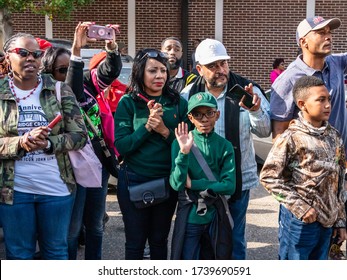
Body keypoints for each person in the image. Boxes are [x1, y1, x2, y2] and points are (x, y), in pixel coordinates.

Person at [181, 38, 271, 260]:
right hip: (202, 183)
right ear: (199, 69)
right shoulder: (188, 95)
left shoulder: (246, 91)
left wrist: (255, 110)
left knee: (234, 239)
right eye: (213, 66)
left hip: (238, 181)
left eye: (223, 63)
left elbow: (264, 131)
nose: (220, 70)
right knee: (204, 241)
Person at [0, 32, 87, 259]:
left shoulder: (58, 89)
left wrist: (49, 143)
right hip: (14, 191)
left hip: (56, 189)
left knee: (56, 251)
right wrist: (20, 142)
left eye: (36, 54)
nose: (31, 58)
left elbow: (80, 136)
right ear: (8, 57)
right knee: (19, 254)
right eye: (22, 53)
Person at [270, 16, 347, 259]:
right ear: (303, 41)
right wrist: (299, 197)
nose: (328, 36)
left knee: (327, 254)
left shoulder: (335, 63)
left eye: (329, 31)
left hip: (336, 182)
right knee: (297, 258)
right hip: (306, 192)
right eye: (321, 32)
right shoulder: (287, 81)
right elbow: (279, 138)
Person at [260, 76, 347, 260]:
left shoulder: (334, 136)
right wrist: (301, 208)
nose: (327, 105)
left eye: (329, 99)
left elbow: (339, 181)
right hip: (301, 221)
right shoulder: (291, 137)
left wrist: (340, 220)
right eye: (320, 100)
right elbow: (269, 177)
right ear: (302, 104)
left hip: (327, 222)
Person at [114, 48, 188, 260]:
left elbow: (186, 145)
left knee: (159, 241)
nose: (159, 76)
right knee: (135, 242)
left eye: (163, 71)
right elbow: (123, 146)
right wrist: (147, 127)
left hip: (167, 180)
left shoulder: (178, 103)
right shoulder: (128, 103)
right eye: (153, 71)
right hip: (133, 179)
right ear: (140, 72)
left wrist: (164, 130)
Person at [170, 92, 236, 259]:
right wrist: (184, 153)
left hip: (215, 216)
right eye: (197, 114)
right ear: (190, 118)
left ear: (217, 115)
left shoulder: (225, 146)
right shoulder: (179, 142)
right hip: (190, 217)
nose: (204, 119)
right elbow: (176, 184)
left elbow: (230, 185)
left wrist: (194, 184)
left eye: (209, 113)